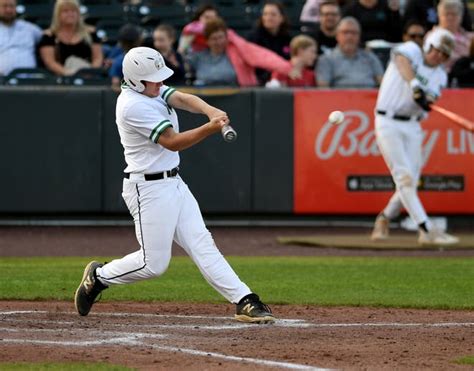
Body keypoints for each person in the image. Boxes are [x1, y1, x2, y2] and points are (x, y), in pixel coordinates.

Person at [74, 46, 275, 324]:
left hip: (173, 182)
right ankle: (98, 278)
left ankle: (245, 299)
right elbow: (172, 140)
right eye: (153, 79)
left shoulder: (152, 89)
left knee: (203, 245)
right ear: (135, 80)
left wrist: (209, 110)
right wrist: (210, 128)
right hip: (148, 190)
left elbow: (179, 97)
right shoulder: (132, 105)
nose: (159, 82)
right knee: (153, 264)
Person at [371, 28, 459, 246]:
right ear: (429, 46)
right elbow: (402, 63)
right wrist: (415, 85)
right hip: (387, 121)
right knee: (404, 178)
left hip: (412, 126)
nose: (439, 57)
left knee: (411, 179)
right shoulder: (412, 50)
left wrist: (424, 101)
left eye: (444, 55)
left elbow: (428, 101)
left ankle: (384, 218)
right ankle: (426, 229)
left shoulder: (440, 75)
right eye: (437, 51)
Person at [187, 17, 295, 87]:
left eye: (221, 37)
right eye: (214, 39)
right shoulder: (198, 56)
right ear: (207, 41)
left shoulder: (237, 51)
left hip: (238, 99)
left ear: (226, 37)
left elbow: (264, 57)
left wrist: (286, 68)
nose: (218, 42)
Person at [38, 0, 103, 76]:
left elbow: (98, 58)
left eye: (73, 11)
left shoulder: (91, 33)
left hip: (88, 76)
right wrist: (67, 73)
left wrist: (90, 72)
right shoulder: (49, 36)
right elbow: (49, 61)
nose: (70, 14)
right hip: (60, 79)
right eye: (65, 11)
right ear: (58, 14)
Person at [316, 17, 384, 87]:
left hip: (369, 97)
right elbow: (323, 89)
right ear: (337, 35)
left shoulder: (370, 58)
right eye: (345, 32)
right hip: (339, 97)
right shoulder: (326, 60)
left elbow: (383, 84)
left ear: (359, 36)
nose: (349, 37)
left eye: (354, 33)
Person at [247, 0, 292, 85]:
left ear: (282, 18)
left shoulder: (287, 38)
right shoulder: (253, 38)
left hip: (282, 81)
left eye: (273, 14)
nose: (268, 18)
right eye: (265, 14)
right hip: (259, 82)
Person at [425, 0, 474, 72]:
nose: (450, 17)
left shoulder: (470, 37)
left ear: (461, 16)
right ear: (439, 16)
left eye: (454, 14)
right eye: (446, 14)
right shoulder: (432, 36)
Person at [0, 0, 42, 76]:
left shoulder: (30, 28)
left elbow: (47, 38)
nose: (8, 10)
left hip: (28, 80)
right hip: (2, 81)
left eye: (11, 6)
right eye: (5, 6)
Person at [109, 23, 143, 93]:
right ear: (139, 40)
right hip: (135, 96)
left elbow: (115, 85)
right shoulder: (119, 61)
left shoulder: (118, 61)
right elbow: (115, 86)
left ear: (121, 43)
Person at [403, 0, 472, 32]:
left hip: (457, 41)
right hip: (426, 43)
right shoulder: (416, 2)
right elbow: (409, 28)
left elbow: (467, 26)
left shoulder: (458, 2)